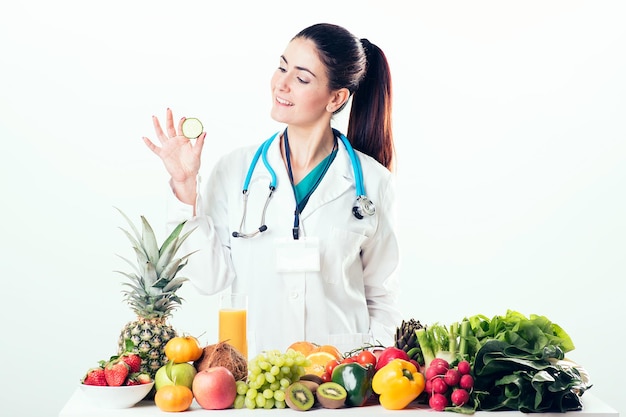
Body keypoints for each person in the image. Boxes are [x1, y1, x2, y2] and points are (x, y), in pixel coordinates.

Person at [143, 23, 402, 355]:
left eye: (302, 78)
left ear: (335, 98)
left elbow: (381, 296)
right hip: (255, 374)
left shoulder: (374, 182)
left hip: (339, 380)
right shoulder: (235, 171)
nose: (281, 83)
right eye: (282, 67)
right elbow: (209, 281)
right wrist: (184, 186)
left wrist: (370, 370)